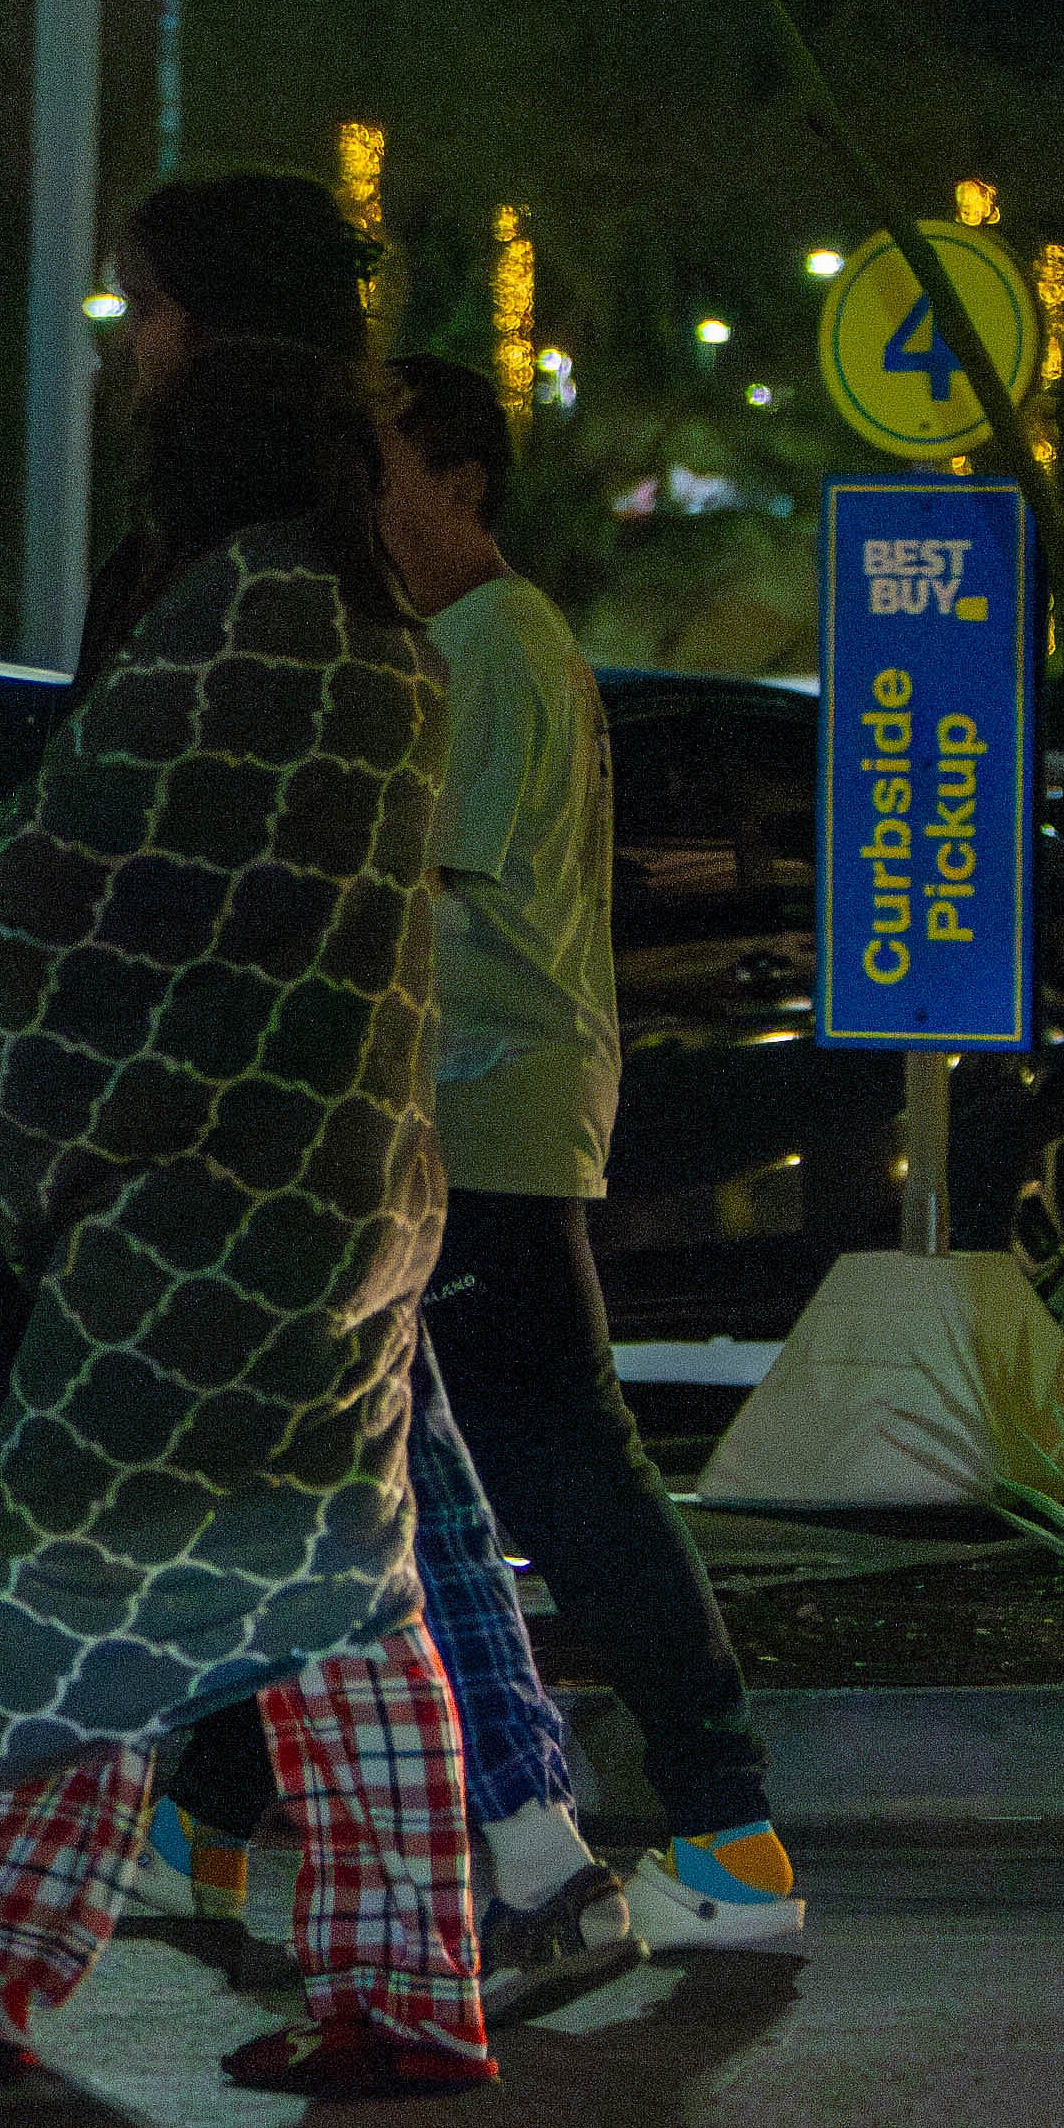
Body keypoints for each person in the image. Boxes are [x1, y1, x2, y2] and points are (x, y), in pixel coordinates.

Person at [0, 175, 613, 2016]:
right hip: (330, 1171)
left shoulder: (237, 611)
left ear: (204, 354)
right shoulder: (368, 622)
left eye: (140, 314)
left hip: (184, 1176)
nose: (125, 348)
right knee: (339, 1568)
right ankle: (415, 1943)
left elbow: (79, 846)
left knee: (75, 1531)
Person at [367, 351, 798, 1949]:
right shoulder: (482, 645)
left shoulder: (493, 651)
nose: (364, 510)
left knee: (561, 1468)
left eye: (384, 474)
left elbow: (438, 893)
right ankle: (206, 1827)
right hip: (465, 1114)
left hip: (486, 1113)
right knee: (390, 1476)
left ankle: (727, 1833)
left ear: (462, 482)